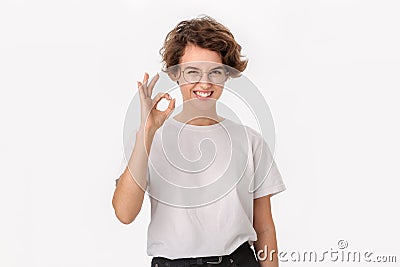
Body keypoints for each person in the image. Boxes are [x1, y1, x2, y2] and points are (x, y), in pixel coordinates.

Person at [112, 15, 286, 267]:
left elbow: (265, 227)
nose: (204, 83)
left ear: (227, 75)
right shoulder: (148, 138)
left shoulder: (249, 140)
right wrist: (147, 133)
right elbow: (124, 214)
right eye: (193, 71)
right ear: (176, 74)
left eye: (215, 72)